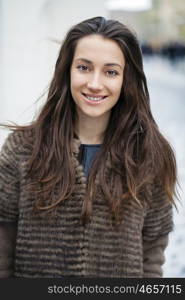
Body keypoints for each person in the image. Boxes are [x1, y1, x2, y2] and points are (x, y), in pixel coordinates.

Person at [0, 16, 177, 278]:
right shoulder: (22, 149)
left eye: (111, 71)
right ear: (66, 70)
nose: (95, 83)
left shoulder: (150, 156)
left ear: (126, 78)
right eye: (84, 67)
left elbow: (151, 260)